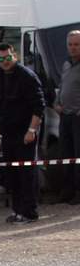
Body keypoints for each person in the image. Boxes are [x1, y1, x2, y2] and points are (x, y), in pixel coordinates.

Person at [0, 43, 44, 224]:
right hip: (8, 134)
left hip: (24, 133)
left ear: (15, 56)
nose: (4, 62)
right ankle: (17, 210)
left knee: (26, 174)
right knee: (12, 174)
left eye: (7, 58)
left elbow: (39, 106)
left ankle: (29, 212)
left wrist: (31, 130)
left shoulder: (27, 76)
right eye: (1, 59)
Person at [53, 30, 80, 204]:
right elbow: (62, 86)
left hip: (78, 117)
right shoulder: (66, 64)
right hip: (65, 116)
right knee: (66, 154)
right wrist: (57, 103)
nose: (73, 48)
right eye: (70, 44)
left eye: (76, 44)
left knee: (79, 156)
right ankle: (68, 189)